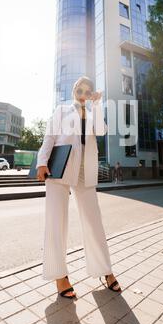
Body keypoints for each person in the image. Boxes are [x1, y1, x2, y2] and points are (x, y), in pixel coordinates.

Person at [36, 76, 121, 299]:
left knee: (94, 222)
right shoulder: (61, 110)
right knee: (56, 221)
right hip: (60, 167)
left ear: (91, 93)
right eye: (79, 89)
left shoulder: (93, 112)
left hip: (85, 170)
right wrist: (42, 162)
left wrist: (97, 103)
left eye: (87, 90)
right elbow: (50, 136)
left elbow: (101, 131)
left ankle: (105, 270)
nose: (82, 92)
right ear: (74, 90)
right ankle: (59, 276)